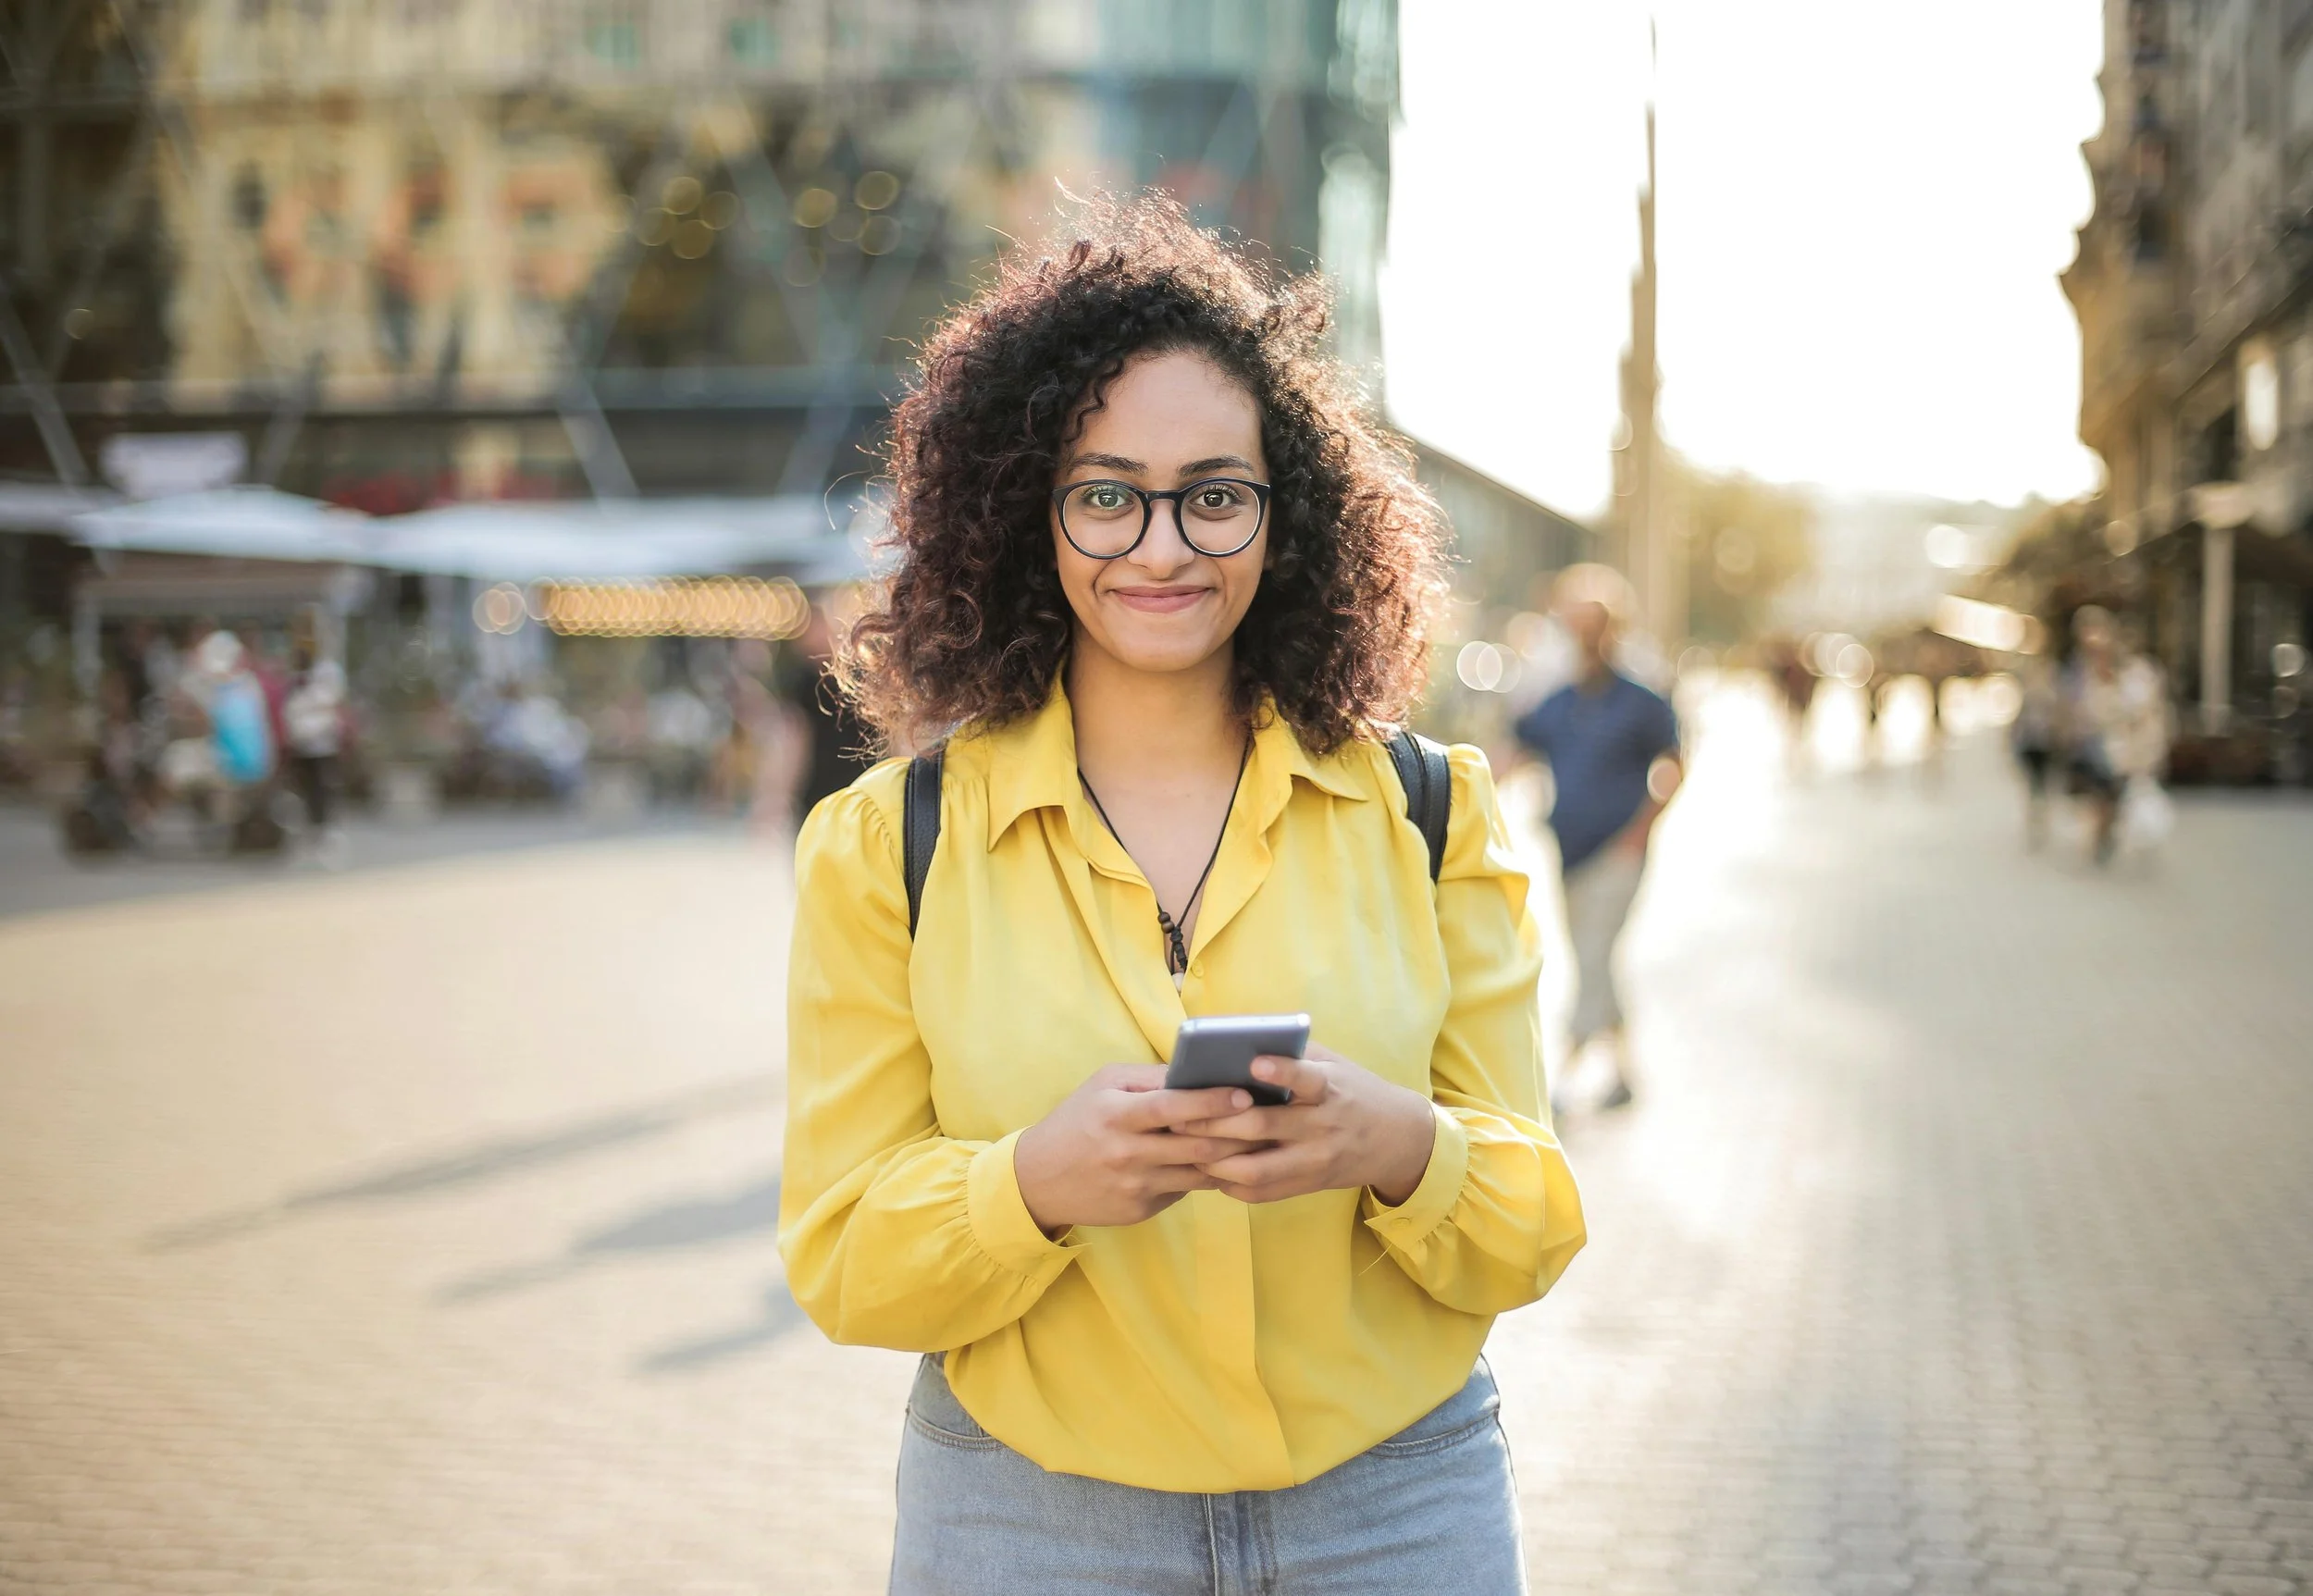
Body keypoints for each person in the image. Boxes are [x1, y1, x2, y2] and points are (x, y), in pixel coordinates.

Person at [779, 196, 1585, 1595]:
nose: (1162, 548)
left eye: (1215, 493)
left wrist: (1398, 1145)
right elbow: (844, 1256)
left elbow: (1532, 1217)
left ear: (1288, 517)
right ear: (1026, 513)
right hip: (1026, 1518)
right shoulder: (883, 846)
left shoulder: (1430, 810)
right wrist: (1031, 1186)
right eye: (1107, 494)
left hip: (1397, 1503)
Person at [1511, 568, 1681, 1113]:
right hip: (1570, 853)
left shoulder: (1640, 700)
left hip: (1617, 854)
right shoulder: (1558, 699)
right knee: (1595, 960)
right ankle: (1625, 1074)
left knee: (1592, 955)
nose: (1587, 637)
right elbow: (1512, 751)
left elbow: (1674, 763)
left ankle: (1561, 1075)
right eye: (1576, 626)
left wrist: (1641, 830)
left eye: (1596, 626)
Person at [2059, 606, 2171, 864]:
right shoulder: (2081, 669)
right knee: (2098, 797)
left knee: (2116, 796)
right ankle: (2100, 838)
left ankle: (2107, 836)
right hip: (2095, 746)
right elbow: (2084, 708)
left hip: (2127, 749)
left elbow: (2146, 712)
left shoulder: (2137, 671)